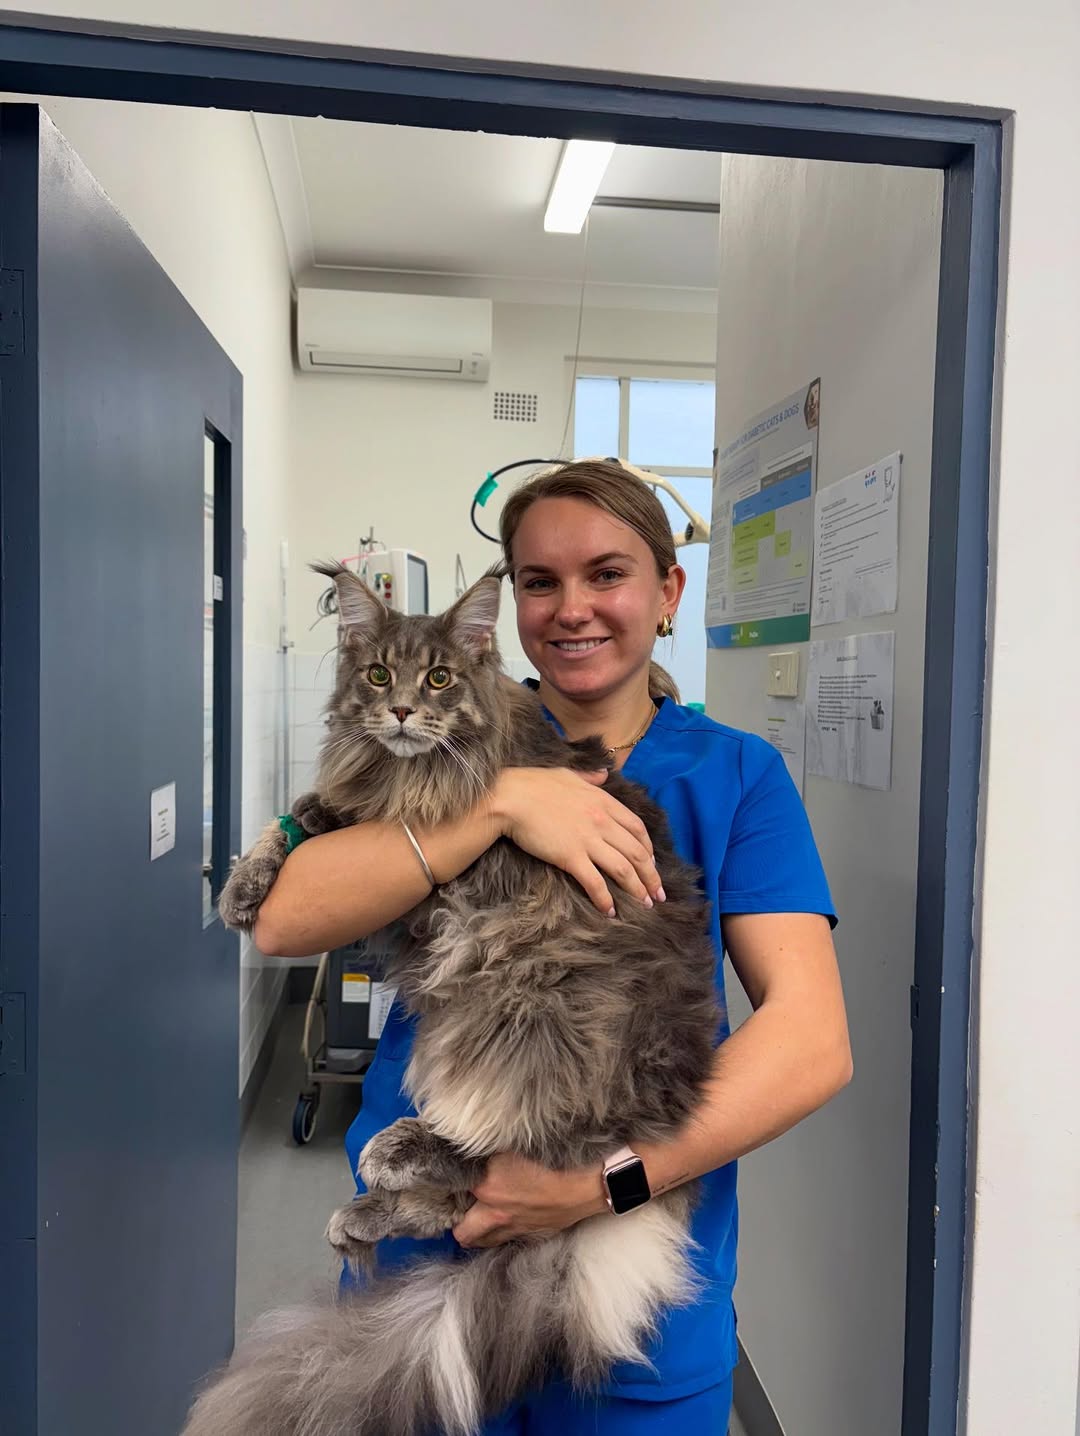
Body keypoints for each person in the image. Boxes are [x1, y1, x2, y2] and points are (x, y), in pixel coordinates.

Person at [255, 459, 852, 1434]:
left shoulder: (737, 775)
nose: (572, 607)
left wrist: (594, 1184)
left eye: (607, 573)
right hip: (431, 1242)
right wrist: (499, 800)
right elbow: (285, 915)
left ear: (668, 593)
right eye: (540, 580)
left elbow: (813, 1037)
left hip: (626, 1296)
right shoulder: (443, 732)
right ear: (510, 605)